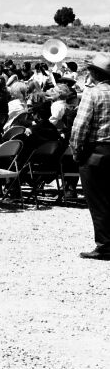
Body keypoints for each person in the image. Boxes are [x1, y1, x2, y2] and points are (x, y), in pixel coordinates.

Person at [69, 52, 110, 261]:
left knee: (98, 201)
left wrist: (77, 153)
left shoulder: (93, 94)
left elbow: (80, 127)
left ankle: (105, 246)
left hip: (97, 151)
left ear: (93, 73)